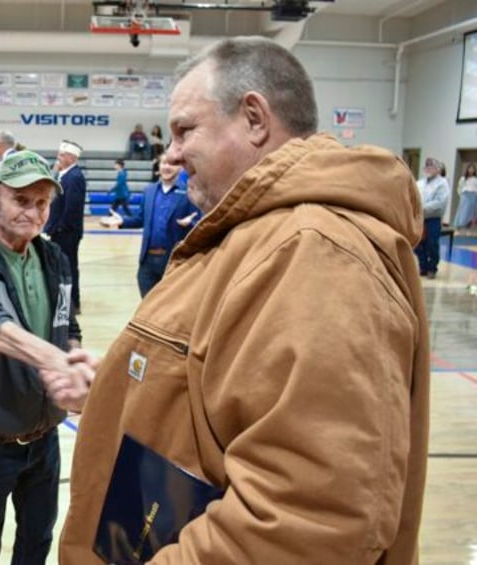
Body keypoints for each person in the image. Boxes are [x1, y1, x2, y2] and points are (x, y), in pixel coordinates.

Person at [60, 36, 429, 564]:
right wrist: (128, 383)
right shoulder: (259, 234)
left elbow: (306, 520)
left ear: (255, 118)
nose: (172, 153)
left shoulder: (316, 253)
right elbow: (228, 385)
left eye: (186, 129)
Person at [0, 150, 89, 564]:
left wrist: (73, 360)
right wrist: (51, 359)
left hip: (44, 437)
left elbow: (67, 327)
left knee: (38, 541)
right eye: (21, 200)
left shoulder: (55, 258)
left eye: (42, 202)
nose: (34, 212)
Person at [101, 152, 201, 296]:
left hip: (173, 262)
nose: (167, 167)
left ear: (180, 168)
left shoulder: (189, 192)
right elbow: (140, 219)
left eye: (172, 164)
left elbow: (202, 222)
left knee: (169, 308)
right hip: (147, 261)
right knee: (147, 308)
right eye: (163, 163)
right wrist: (122, 221)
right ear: (158, 166)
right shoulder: (149, 191)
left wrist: (191, 222)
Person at [45, 140, 86, 313]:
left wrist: (58, 228)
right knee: (63, 268)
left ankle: (73, 303)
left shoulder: (74, 177)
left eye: (62, 155)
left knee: (68, 268)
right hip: (60, 231)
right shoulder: (65, 175)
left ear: (71, 157)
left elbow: (72, 208)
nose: (58, 157)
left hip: (66, 233)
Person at [414, 157, 451, 279]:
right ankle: (423, 266)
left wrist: (422, 208)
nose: (429, 169)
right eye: (427, 166)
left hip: (433, 218)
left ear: (438, 169)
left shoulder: (442, 183)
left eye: (432, 166)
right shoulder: (420, 183)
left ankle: (432, 268)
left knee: (432, 244)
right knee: (418, 243)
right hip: (419, 218)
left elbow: (440, 202)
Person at [453, 161, 477, 233]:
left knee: (471, 213)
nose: (471, 170)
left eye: (473, 169)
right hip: (465, 196)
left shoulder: (476, 179)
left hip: (473, 196)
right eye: (470, 168)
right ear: (467, 169)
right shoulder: (463, 178)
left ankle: (468, 229)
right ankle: (458, 228)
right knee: (462, 212)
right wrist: (461, 195)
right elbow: (459, 188)